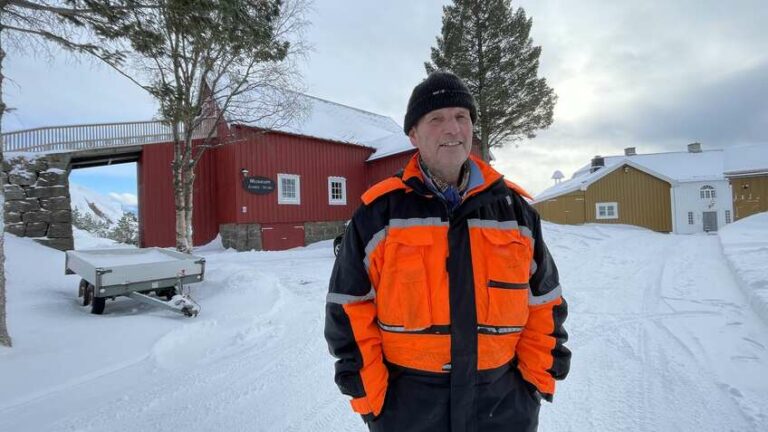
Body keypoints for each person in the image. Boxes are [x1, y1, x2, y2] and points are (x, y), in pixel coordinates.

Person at [324, 71, 570, 432]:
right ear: (413, 134)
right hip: (408, 411)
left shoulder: (515, 212)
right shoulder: (378, 215)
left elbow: (544, 304)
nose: (452, 129)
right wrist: (375, 402)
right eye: (436, 119)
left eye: (461, 117)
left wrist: (532, 385)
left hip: (503, 408)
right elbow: (349, 309)